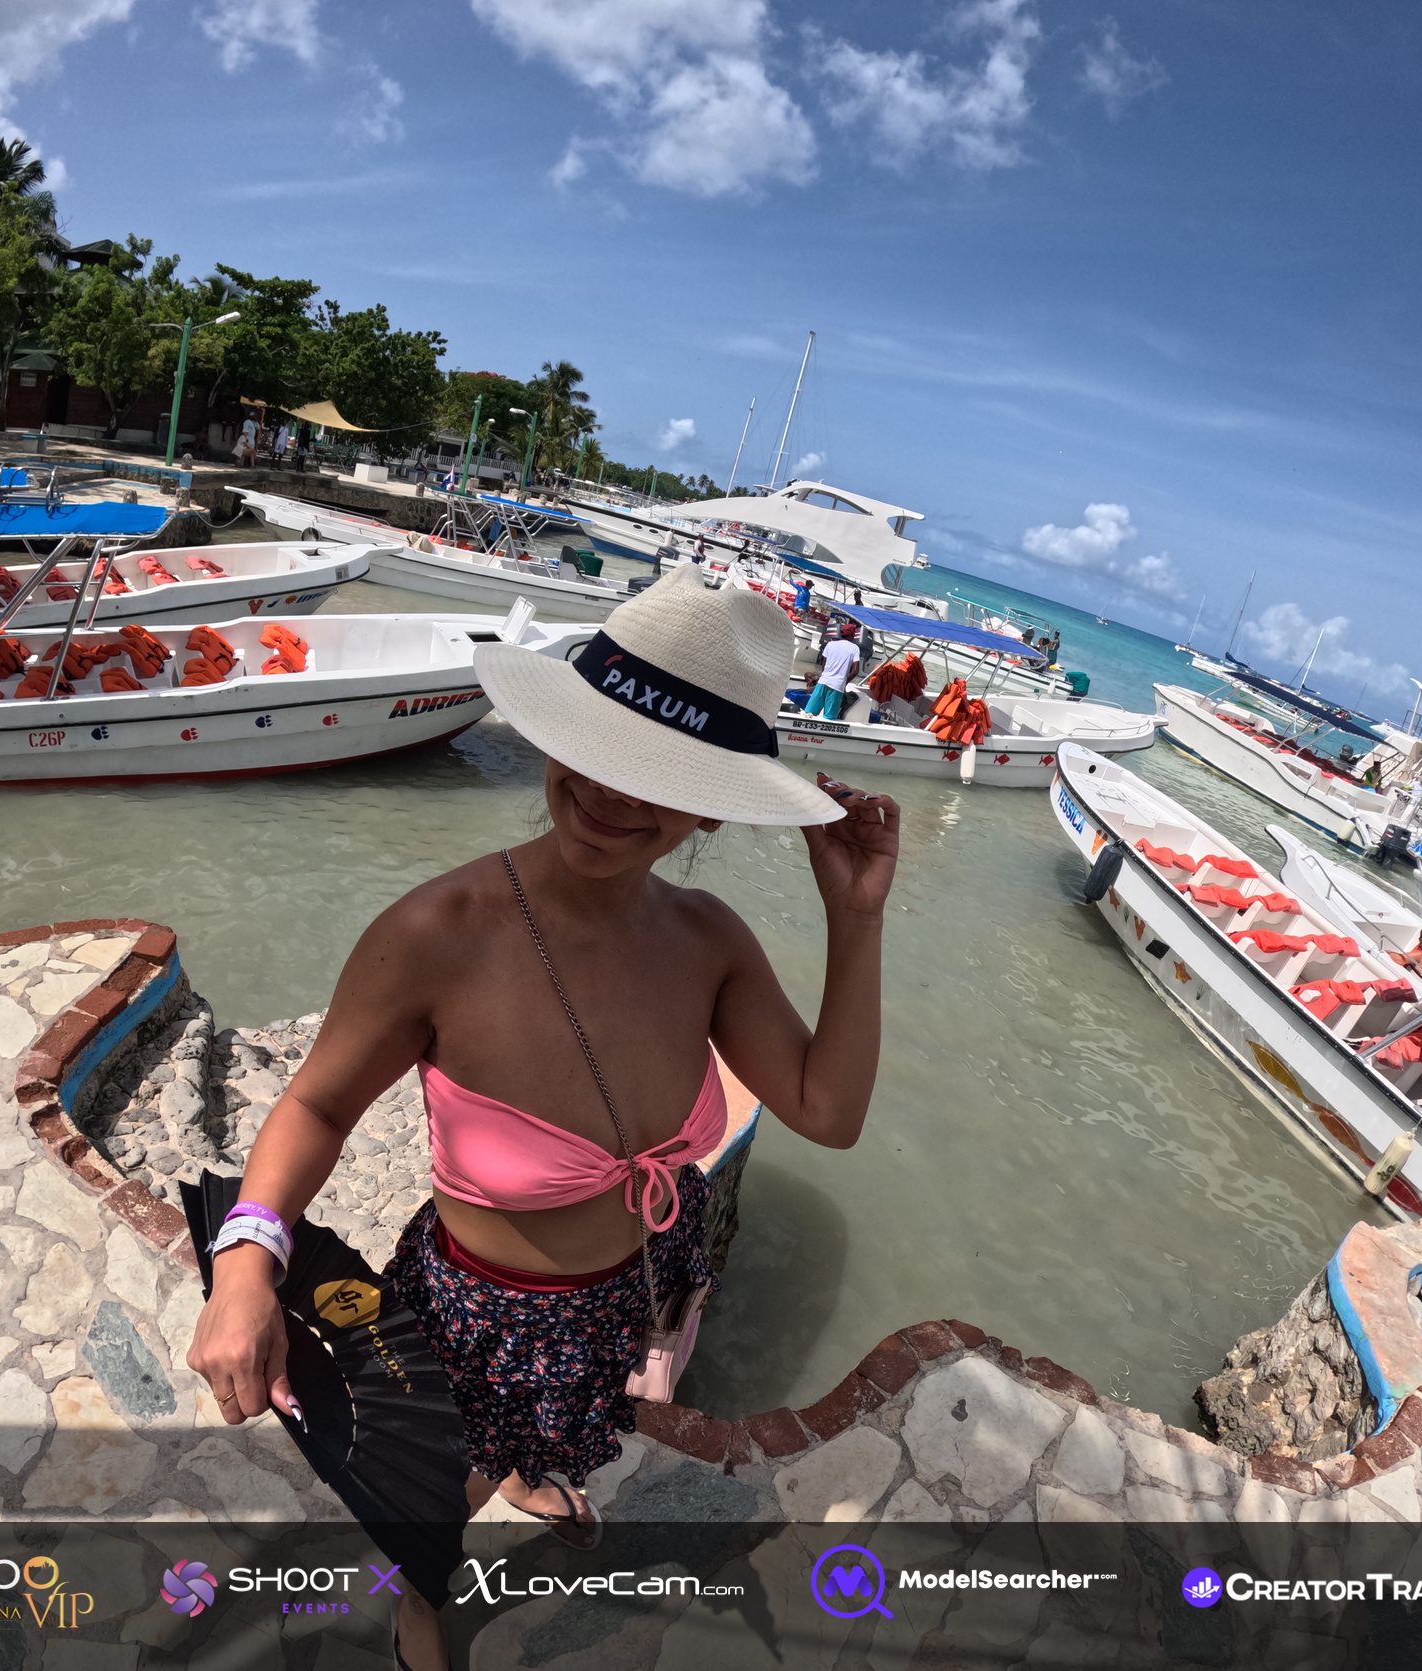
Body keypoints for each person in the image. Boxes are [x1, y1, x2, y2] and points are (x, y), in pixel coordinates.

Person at [187, 567, 899, 1669]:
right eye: (595, 747)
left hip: (615, 1296)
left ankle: (527, 1469)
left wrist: (855, 921)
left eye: (655, 773)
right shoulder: (437, 933)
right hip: (474, 1313)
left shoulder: (708, 941)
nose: (609, 792)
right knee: (430, 1513)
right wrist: (245, 1260)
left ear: (713, 804)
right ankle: (419, 1609)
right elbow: (318, 1103)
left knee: (544, 1434)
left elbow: (827, 1110)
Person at [805, 621, 861, 720]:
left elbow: (824, 665)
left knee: (809, 713)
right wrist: (844, 682)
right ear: (852, 636)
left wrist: (824, 676)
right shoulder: (855, 648)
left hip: (823, 682)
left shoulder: (830, 644)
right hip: (837, 686)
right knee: (829, 718)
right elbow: (855, 670)